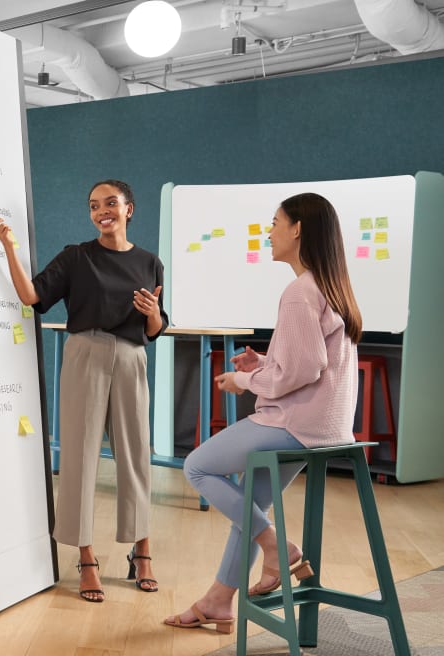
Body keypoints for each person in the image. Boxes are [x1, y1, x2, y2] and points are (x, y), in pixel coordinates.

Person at [164, 192, 362, 634]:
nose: (268, 231)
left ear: (297, 230)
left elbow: (305, 368)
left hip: (295, 425)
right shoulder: (331, 287)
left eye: (275, 223)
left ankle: (276, 547)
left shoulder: (298, 292)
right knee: (249, 506)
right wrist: (264, 366)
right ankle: (217, 602)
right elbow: (310, 363)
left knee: (197, 467)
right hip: (326, 428)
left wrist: (244, 381)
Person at [0, 179, 167, 603]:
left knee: (136, 455)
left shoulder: (150, 262)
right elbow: (32, 296)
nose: (101, 211)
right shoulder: (77, 257)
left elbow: (155, 329)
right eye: (93, 206)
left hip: (132, 357)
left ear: (129, 209)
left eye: (110, 203)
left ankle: (142, 552)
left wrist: (155, 314)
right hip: (85, 352)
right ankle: (86, 558)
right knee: (81, 457)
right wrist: (7, 247)